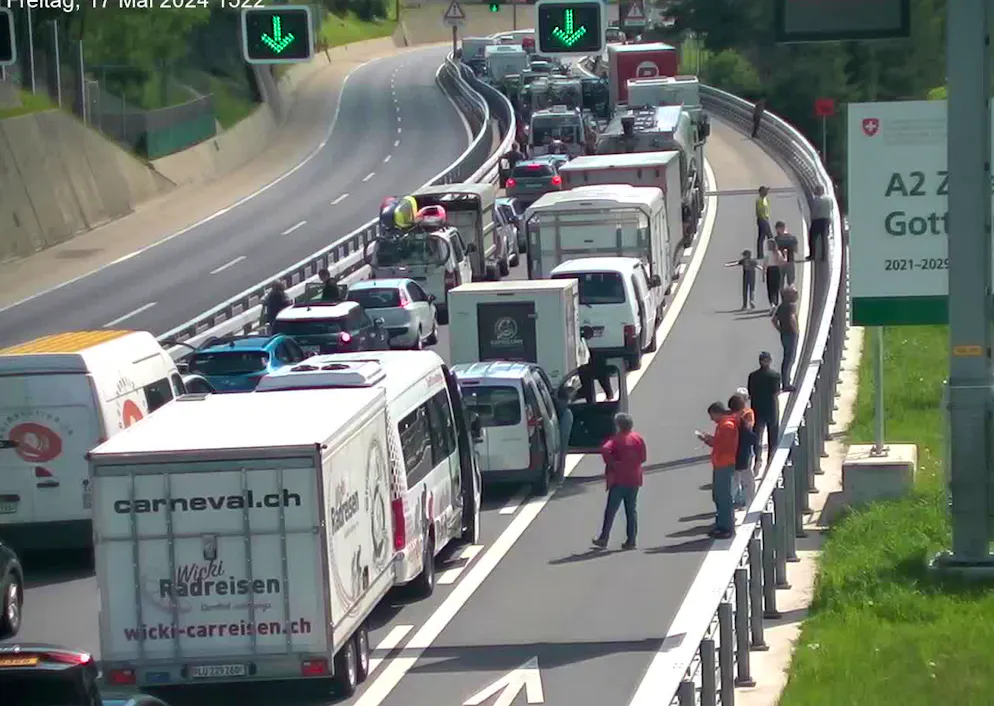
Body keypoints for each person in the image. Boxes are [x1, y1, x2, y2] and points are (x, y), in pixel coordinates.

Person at [592, 412, 646, 550]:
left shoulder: (616, 440)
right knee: (631, 510)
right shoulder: (638, 438)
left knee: (611, 510)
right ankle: (631, 539)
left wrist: (613, 463)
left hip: (619, 479)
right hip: (635, 478)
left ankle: (604, 538)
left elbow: (604, 449)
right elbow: (643, 457)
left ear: (618, 426)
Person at [698, 402, 738, 539]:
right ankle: (721, 524)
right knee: (718, 496)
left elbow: (723, 446)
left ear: (717, 412)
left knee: (724, 497)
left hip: (725, 464)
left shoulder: (727, 426)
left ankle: (726, 527)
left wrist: (709, 440)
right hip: (721, 463)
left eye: (712, 415)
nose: (711, 419)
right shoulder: (724, 425)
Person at [747, 352, 782, 470]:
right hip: (771, 408)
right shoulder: (775, 375)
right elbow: (777, 391)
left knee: (757, 435)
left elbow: (750, 393)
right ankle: (771, 458)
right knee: (773, 434)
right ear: (770, 361)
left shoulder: (752, 376)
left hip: (757, 408)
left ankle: (758, 459)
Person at [729, 391, 757, 509]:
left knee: (734, 481)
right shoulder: (742, 421)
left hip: (731, 456)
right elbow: (752, 438)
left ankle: (732, 502)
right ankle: (748, 503)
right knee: (748, 481)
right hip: (743, 455)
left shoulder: (728, 420)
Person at [772, 286, 799, 392]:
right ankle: (786, 383)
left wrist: (780, 330)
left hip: (784, 334)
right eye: (794, 293)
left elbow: (774, 320)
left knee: (787, 357)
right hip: (791, 334)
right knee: (790, 358)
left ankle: (786, 381)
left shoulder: (781, 306)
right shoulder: (791, 306)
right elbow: (792, 319)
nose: (796, 295)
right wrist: (796, 331)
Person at [808, 184, 832, 261]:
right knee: (824, 239)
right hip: (826, 220)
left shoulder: (816, 199)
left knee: (812, 238)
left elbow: (814, 210)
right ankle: (824, 257)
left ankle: (812, 255)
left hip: (817, 220)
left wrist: (812, 218)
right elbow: (831, 208)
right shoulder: (829, 198)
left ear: (818, 191)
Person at [763, 236, 787, 310]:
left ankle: (772, 303)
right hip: (777, 269)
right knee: (776, 288)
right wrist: (785, 254)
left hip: (770, 270)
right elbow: (783, 262)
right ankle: (776, 303)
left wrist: (763, 274)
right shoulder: (778, 253)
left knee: (770, 288)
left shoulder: (767, 254)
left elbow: (765, 264)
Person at [774, 221, 798, 286]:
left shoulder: (776, 239)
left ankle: (783, 295)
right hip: (790, 261)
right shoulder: (793, 238)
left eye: (777, 229)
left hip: (781, 263)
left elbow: (775, 251)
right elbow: (796, 250)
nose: (776, 231)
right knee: (790, 282)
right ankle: (790, 295)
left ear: (779, 228)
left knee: (780, 283)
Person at [556, 387, 574, 471]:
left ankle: (559, 473)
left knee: (562, 450)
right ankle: (560, 474)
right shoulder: (566, 412)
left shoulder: (564, 411)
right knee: (562, 451)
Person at [755, 186, 772, 256]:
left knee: (762, 237)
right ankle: (773, 252)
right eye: (765, 191)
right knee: (770, 236)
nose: (766, 192)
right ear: (761, 192)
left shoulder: (766, 199)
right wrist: (764, 218)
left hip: (765, 218)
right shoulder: (759, 200)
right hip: (762, 219)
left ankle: (760, 254)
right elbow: (759, 211)